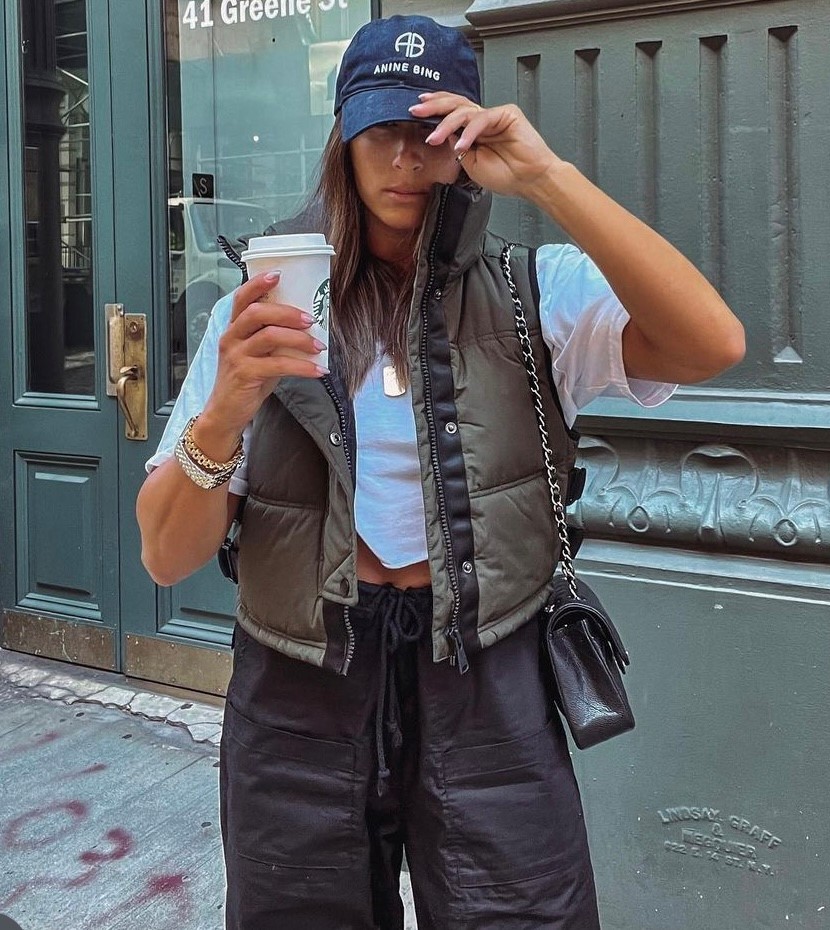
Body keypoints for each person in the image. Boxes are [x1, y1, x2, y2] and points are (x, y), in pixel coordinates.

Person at [137, 14, 744, 930]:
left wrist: (546, 175)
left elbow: (713, 343)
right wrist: (226, 407)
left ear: (468, 139)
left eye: (432, 133)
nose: (406, 160)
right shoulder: (256, 316)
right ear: (342, 139)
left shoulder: (532, 293)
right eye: (383, 130)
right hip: (301, 678)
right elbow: (164, 556)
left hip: (487, 669)